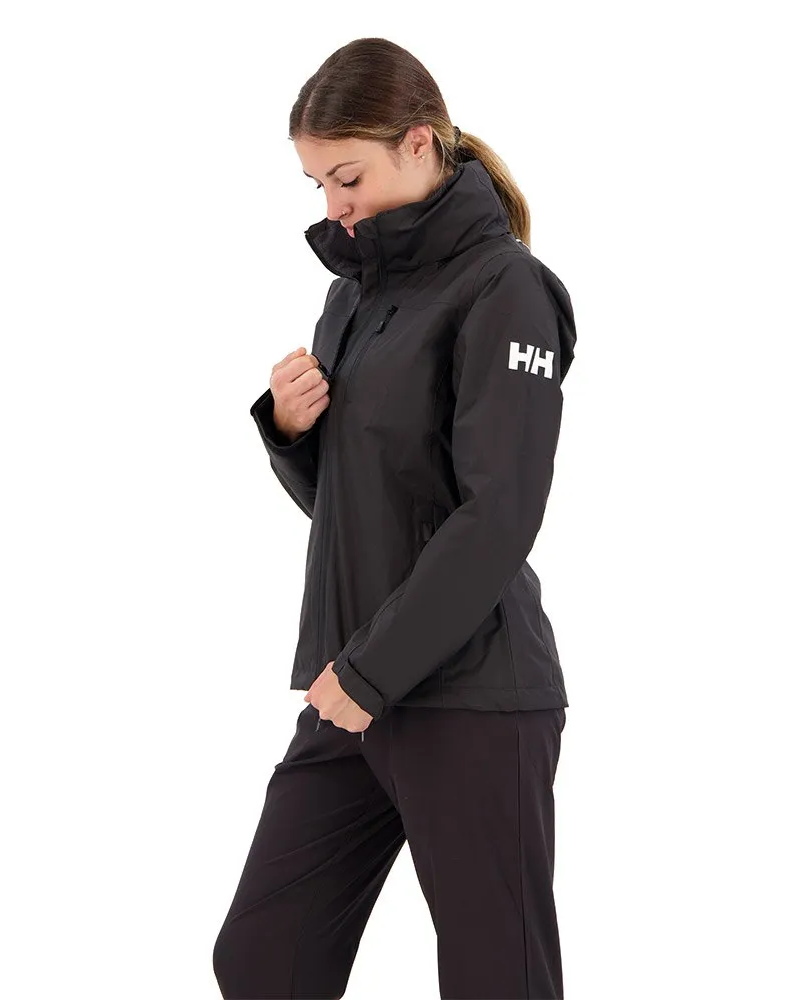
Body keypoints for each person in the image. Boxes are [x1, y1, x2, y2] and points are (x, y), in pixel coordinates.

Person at [213, 37, 577, 1000]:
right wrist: (292, 433)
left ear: (419, 143)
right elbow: (357, 508)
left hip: (470, 691)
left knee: (498, 980)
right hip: (355, 689)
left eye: (348, 177)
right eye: (317, 184)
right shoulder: (352, 296)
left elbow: (498, 518)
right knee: (261, 959)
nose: (333, 206)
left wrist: (372, 671)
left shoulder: (507, 291)